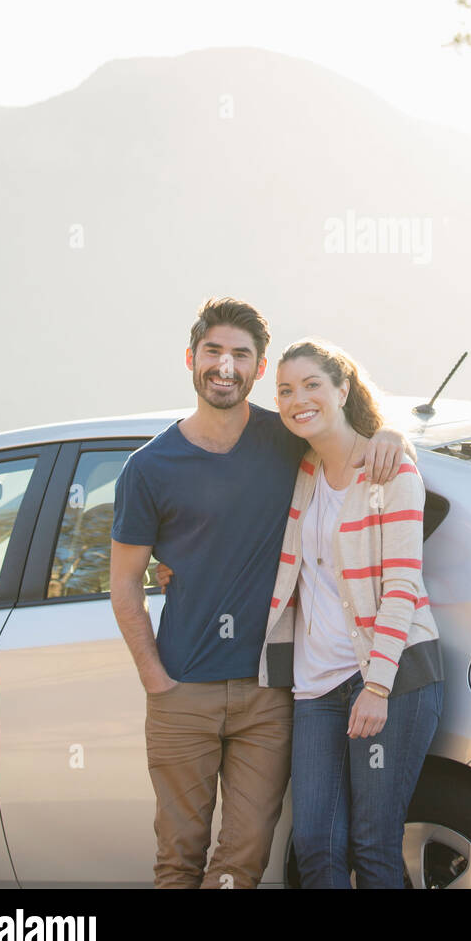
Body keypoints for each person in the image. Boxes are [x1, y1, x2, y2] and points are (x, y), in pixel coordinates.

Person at [109, 296, 412, 890]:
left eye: (240, 355)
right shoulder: (148, 468)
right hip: (181, 692)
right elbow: (124, 584)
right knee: (179, 856)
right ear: (191, 358)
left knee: (245, 855)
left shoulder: (287, 439)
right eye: (214, 352)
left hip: (270, 694)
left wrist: (393, 435)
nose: (226, 366)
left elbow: (350, 441)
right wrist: (155, 679)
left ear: (258, 367)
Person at [260, 337, 444, 888]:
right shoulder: (303, 471)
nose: (299, 400)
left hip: (392, 679)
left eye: (313, 385)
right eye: (286, 390)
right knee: (316, 844)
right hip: (315, 687)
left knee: (374, 844)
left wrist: (378, 686)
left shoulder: (392, 475)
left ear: (343, 389)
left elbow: (402, 585)